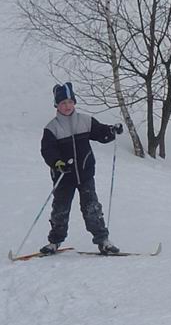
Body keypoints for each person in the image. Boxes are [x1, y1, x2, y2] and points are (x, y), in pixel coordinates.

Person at [40, 82, 124, 255]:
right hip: (64, 176)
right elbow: (48, 150)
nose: (67, 106)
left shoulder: (85, 121)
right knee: (60, 210)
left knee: (92, 208)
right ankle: (54, 241)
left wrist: (111, 131)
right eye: (63, 103)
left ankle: (103, 241)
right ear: (57, 105)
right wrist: (57, 163)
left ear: (74, 103)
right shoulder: (52, 128)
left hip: (85, 174)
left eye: (70, 102)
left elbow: (100, 132)